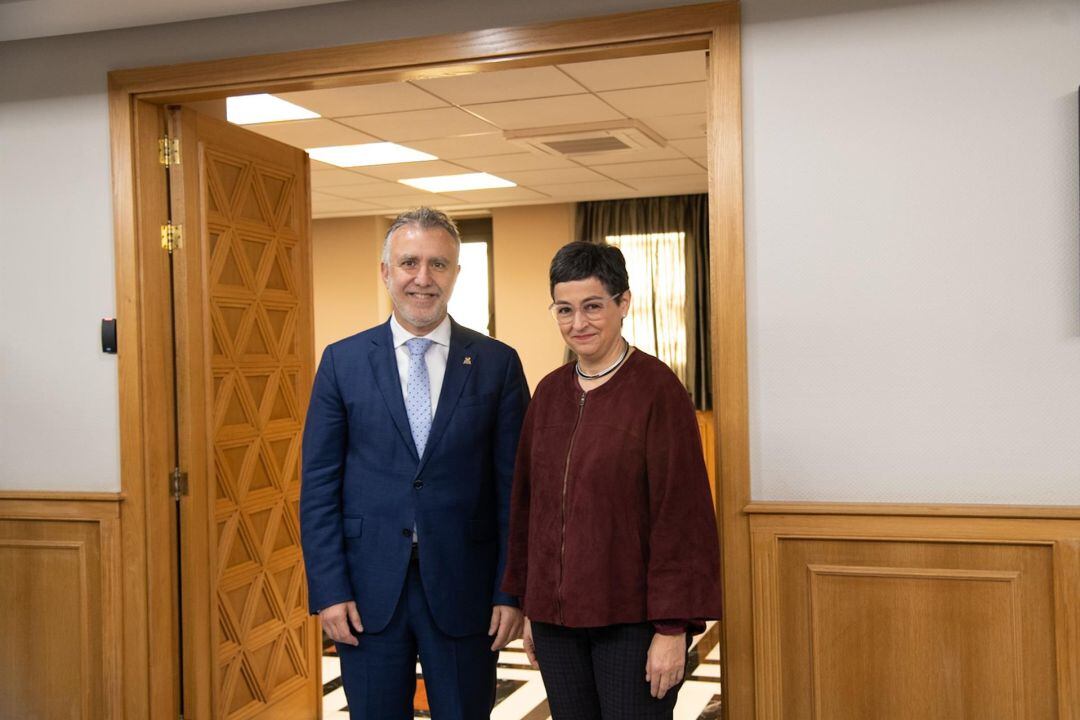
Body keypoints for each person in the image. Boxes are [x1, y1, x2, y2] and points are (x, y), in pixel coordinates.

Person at [300, 207, 528, 719]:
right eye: (408, 263)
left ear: (455, 274)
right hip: (366, 593)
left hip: (466, 592)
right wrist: (329, 591)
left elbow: (515, 488)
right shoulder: (343, 361)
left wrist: (510, 591)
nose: (422, 279)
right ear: (385, 272)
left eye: (438, 265)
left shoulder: (497, 363)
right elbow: (318, 487)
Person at [502, 241, 722, 719]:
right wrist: (531, 608)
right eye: (565, 309)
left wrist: (671, 629)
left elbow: (680, 518)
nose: (577, 323)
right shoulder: (549, 394)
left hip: (633, 624)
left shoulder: (658, 391)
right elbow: (528, 506)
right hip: (557, 624)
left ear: (623, 304)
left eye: (592, 307)